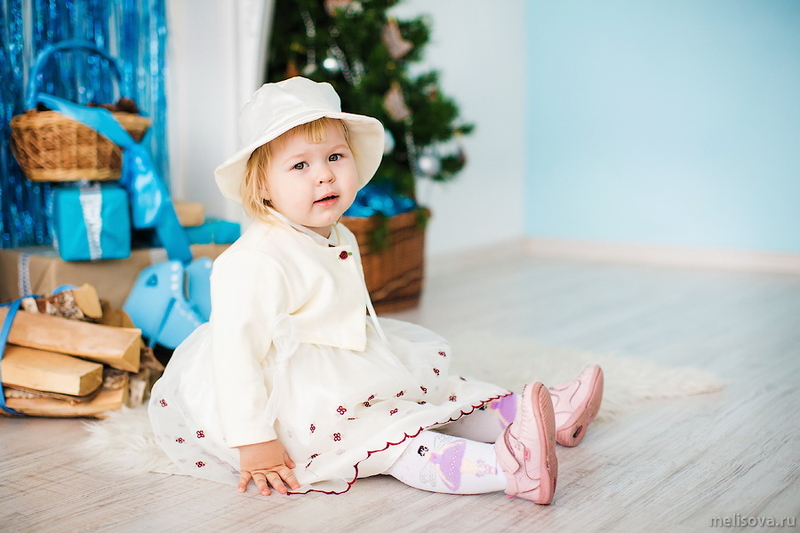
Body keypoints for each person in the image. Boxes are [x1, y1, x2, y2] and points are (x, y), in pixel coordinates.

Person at [148, 77, 604, 505]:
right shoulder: (255, 259)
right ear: (262, 186)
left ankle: (538, 414)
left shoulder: (337, 233)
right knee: (388, 438)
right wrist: (253, 439)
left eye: (334, 157)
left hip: (344, 361)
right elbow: (235, 355)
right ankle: (510, 469)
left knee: (434, 394)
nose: (324, 176)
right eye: (300, 165)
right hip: (293, 399)